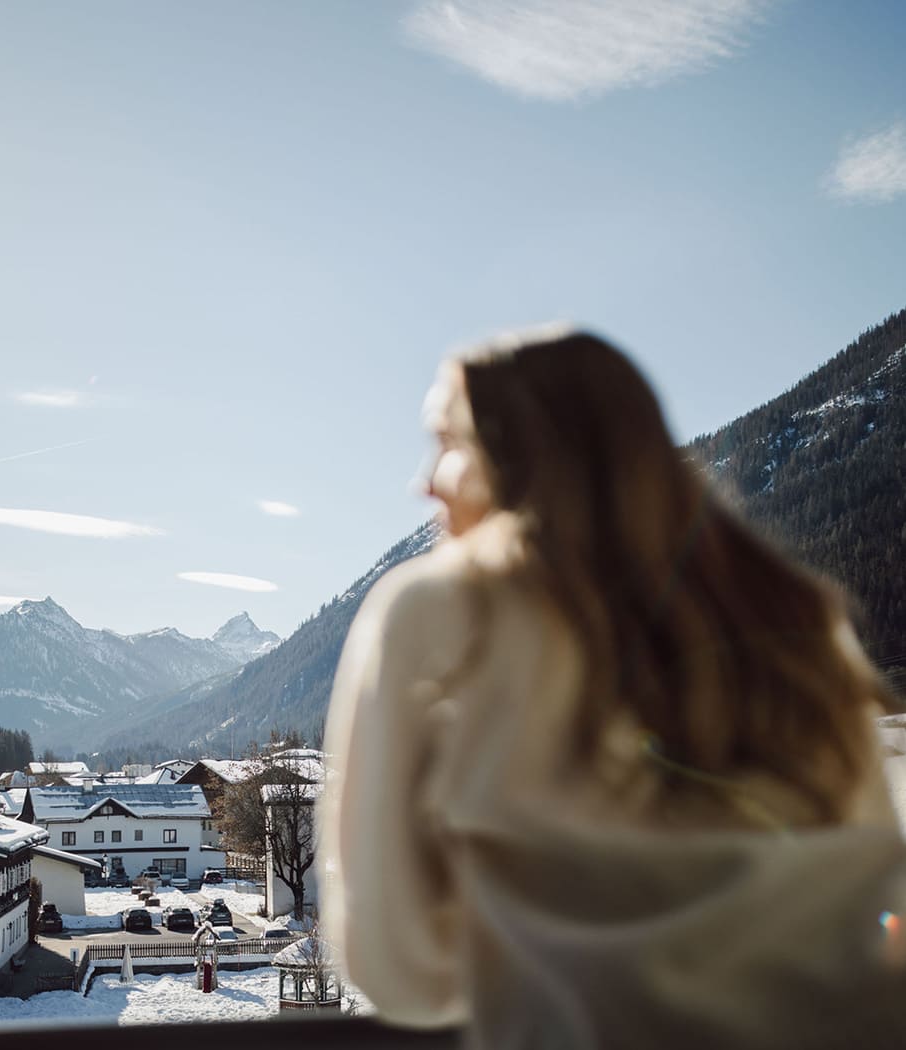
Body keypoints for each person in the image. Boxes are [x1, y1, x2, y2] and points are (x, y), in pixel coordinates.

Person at [321, 327, 906, 1049]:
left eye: (446, 441)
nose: (425, 481)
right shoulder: (798, 619)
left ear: (517, 453)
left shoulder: (440, 613)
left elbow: (396, 968)